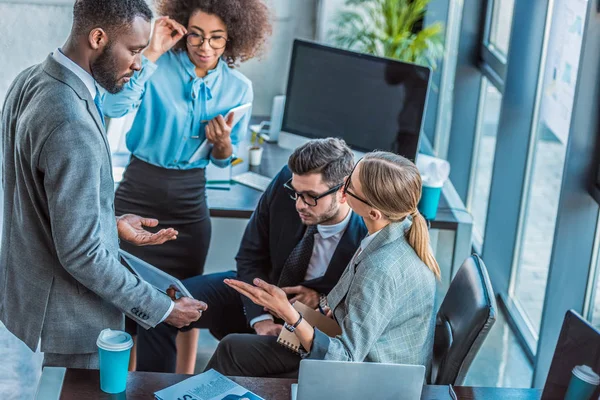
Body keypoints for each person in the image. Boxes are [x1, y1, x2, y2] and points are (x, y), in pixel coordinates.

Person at [0, 0, 206, 369]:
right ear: (98, 37)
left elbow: (34, 201)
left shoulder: (30, 79)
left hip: (27, 306)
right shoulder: (70, 121)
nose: (140, 64)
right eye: (135, 50)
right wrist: (162, 309)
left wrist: (106, 223)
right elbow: (81, 253)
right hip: (69, 320)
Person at [102, 0, 271, 373]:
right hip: (137, 193)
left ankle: (178, 384)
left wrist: (223, 144)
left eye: (216, 38)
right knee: (124, 301)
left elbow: (224, 160)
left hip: (189, 206)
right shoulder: (156, 67)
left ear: (233, 40)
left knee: (182, 300)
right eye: (195, 35)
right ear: (182, 30)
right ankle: (127, 384)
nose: (204, 46)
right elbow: (114, 108)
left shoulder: (238, 87)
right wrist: (150, 54)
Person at [135, 138, 368, 373]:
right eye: (295, 193)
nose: (299, 205)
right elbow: (250, 257)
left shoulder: (366, 234)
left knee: (237, 355)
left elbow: (359, 314)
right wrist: (261, 319)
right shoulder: (286, 182)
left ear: (343, 192)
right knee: (161, 308)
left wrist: (322, 299)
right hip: (257, 296)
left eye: (310, 196)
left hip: (308, 325)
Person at [212, 151, 440, 377]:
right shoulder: (400, 230)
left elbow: (344, 360)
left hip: (371, 376)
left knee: (232, 350)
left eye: (349, 186)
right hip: (359, 347)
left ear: (373, 212)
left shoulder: (380, 268)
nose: (342, 186)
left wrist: (289, 314)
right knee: (233, 346)